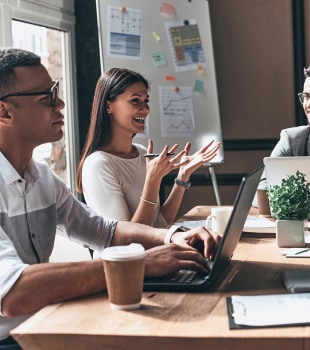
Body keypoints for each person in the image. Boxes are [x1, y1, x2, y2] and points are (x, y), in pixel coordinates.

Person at [0, 48, 220, 346]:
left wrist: (173, 236)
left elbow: (106, 231)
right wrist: (138, 265)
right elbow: (13, 294)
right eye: (47, 97)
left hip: (45, 324)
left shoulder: (40, 176)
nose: (61, 104)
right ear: (4, 112)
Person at [76, 68, 221, 228]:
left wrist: (183, 175)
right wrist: (152, 181)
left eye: (146, 101)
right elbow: (127, 239)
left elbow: (159, 223)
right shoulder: (98, 165)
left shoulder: (143, 153)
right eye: (135, 100)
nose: (145, 109)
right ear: (108, 106)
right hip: (131, 253)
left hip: (155, 251)